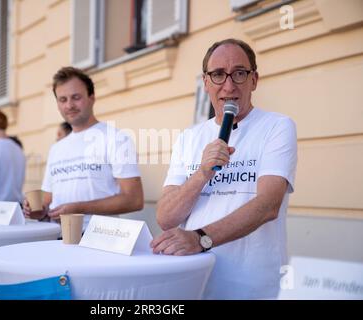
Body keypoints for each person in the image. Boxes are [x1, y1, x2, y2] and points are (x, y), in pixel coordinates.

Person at [151, 39, 298, 300]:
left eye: (239, 74)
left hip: (252, 284)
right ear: (206, 82)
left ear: (254, 80)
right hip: (195, 281)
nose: (228, 86)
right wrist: (202, 174)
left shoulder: (277, 127)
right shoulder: (189, 137)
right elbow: (165, 217)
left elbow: (267, 206)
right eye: (218, 75)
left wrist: (200, 239)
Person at [23, 67, 144, 230]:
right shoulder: (56, 149)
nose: (69, 105)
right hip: (56, 237)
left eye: (76, 97)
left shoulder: (116, 139)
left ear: (91, 98)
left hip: (99, 237)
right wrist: (38, 210)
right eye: (63, 99)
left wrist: (79, 209)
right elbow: (48, 199)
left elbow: (134, 200)